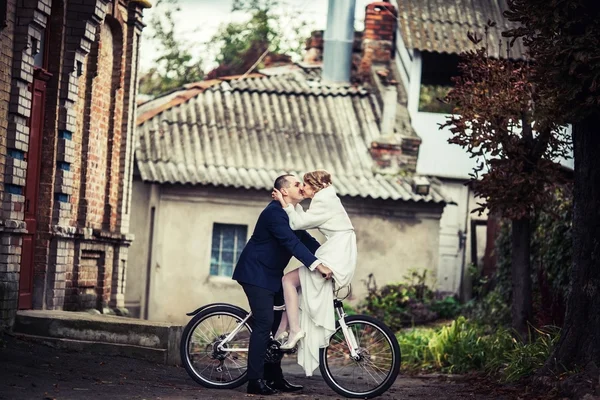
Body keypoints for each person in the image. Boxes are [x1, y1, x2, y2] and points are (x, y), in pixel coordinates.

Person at [232, 174, 333, 396]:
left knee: (279, 328)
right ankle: (254, 381)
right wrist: (317, 266)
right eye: (297, 184)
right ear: (284, 191)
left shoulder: (291, 213)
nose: (302, 187)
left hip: (272, 276)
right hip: (255, 274)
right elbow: (291, 242)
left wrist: (331, 260)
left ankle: (274, 378)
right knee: (264, 323)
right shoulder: (274, 213)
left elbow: (306, 240)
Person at [272, 170, 357, 376]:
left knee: (288, 281)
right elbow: (305, 219)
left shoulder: (323, 201)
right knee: (300, 290)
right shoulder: (326, 198)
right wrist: (293, 204)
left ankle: (293, 331)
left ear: (315, 187)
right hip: (339, 249)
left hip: (336, 251)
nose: (302, 188)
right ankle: (281, 333)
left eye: (305, 185)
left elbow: (298, 224)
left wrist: (285, 203)